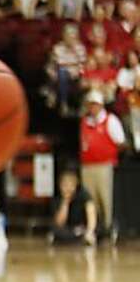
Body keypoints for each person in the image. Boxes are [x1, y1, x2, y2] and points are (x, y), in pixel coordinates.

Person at [79, 89, 124, 245]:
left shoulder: (110, 120)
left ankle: (108, 229)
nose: (92, 108)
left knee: (105, 198)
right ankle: (93, 230)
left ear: (101, 105)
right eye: (90, 105)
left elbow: (120, 141)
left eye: (95, 104)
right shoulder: (85, 122)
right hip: (87, 167)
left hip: (104, 166)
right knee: (90, 200)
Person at [51, 169, 95, 246]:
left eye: (70, 185)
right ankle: (78, 238)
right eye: (65, 185)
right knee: (56, 232)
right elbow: (59, 223)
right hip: (70, 229)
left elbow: (91, 214)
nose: (68, 188)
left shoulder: (83, 195)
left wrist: (89, 232)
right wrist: (65, 203)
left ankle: (85, 238)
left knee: (98, 232)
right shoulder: (57, 198)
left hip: (84, 226)